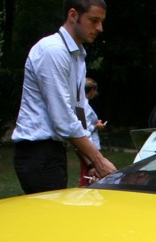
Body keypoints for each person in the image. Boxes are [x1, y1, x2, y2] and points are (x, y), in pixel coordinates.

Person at [11, 0, 116, 194]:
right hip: (36, 152)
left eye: (101, 22)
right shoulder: (53, 51)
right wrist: (99, 161)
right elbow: (64, 120)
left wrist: (90, 163)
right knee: (48, 222)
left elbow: (78, 113)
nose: (99, 28)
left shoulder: (77, 56)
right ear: (73, 15)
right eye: (93, 20)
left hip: (53, 152)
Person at [78, 77, 107, 186]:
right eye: (95, 90)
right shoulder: (83, 105)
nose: (96, 93)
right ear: (90, 91)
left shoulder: (83, 104)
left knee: (90, 175)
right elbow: (83, 128)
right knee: (90, 174)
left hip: (89, 144)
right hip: (89, 145)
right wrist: (96, 127)